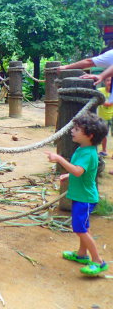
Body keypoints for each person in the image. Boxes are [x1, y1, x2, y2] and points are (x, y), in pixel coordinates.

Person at [44, 112, 109, 276]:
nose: (72, 131)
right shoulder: (83, 149)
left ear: (90, 135)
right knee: (83, 227)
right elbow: (82, 171)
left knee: (80, 229)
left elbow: (79, 171)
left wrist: (59, 159)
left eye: (77, 129)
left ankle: (98, 261)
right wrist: (69, 175)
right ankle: (81, 254)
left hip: (85, 199)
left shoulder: (88, 153)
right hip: (80, 196)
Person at [97, 77, 113, 157]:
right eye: (107, 80)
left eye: (111, 80)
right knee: (103, 134)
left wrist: (102, 102)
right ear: (104, 82)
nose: (109, 82)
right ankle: (104, 150)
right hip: (103, 116)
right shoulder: (100, 91)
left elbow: (108, 104)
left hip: (112, 116)